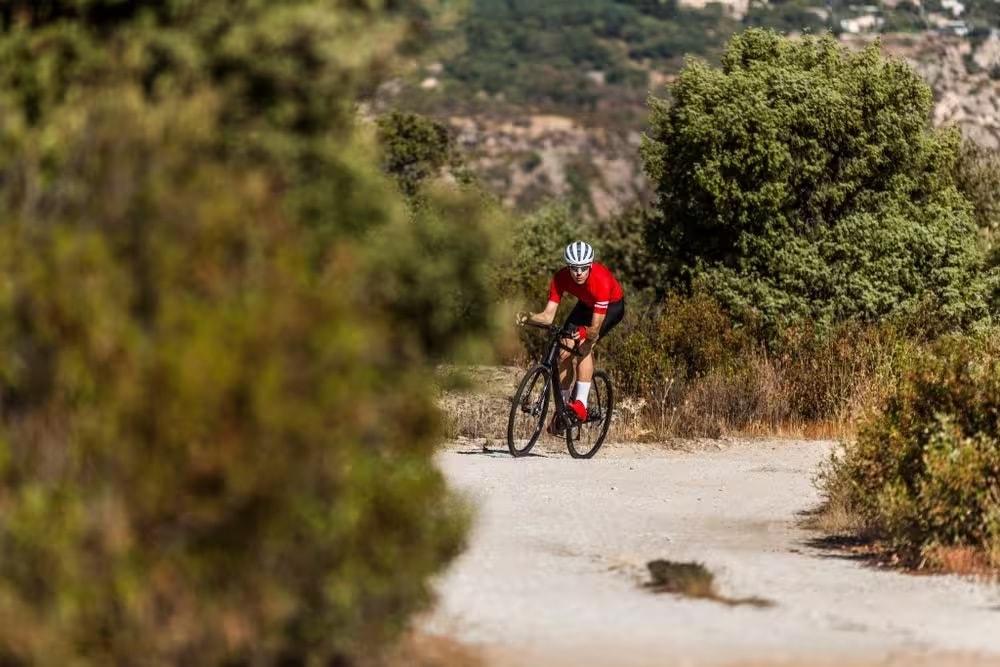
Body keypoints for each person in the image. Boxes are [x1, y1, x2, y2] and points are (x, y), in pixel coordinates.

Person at [517, 241, 625, 430]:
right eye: (574, 268)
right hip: (585, 304)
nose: (579, 273)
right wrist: (528, 317)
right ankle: (563, 411)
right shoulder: (560, 278)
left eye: (583, 268)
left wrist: (583, 333)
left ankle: (581, 405)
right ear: (568, 267)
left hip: (611, 307)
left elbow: (594, 329)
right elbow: (548, 316)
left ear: (590, 265)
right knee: (563, 351)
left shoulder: (600, 281)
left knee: (583, 345)